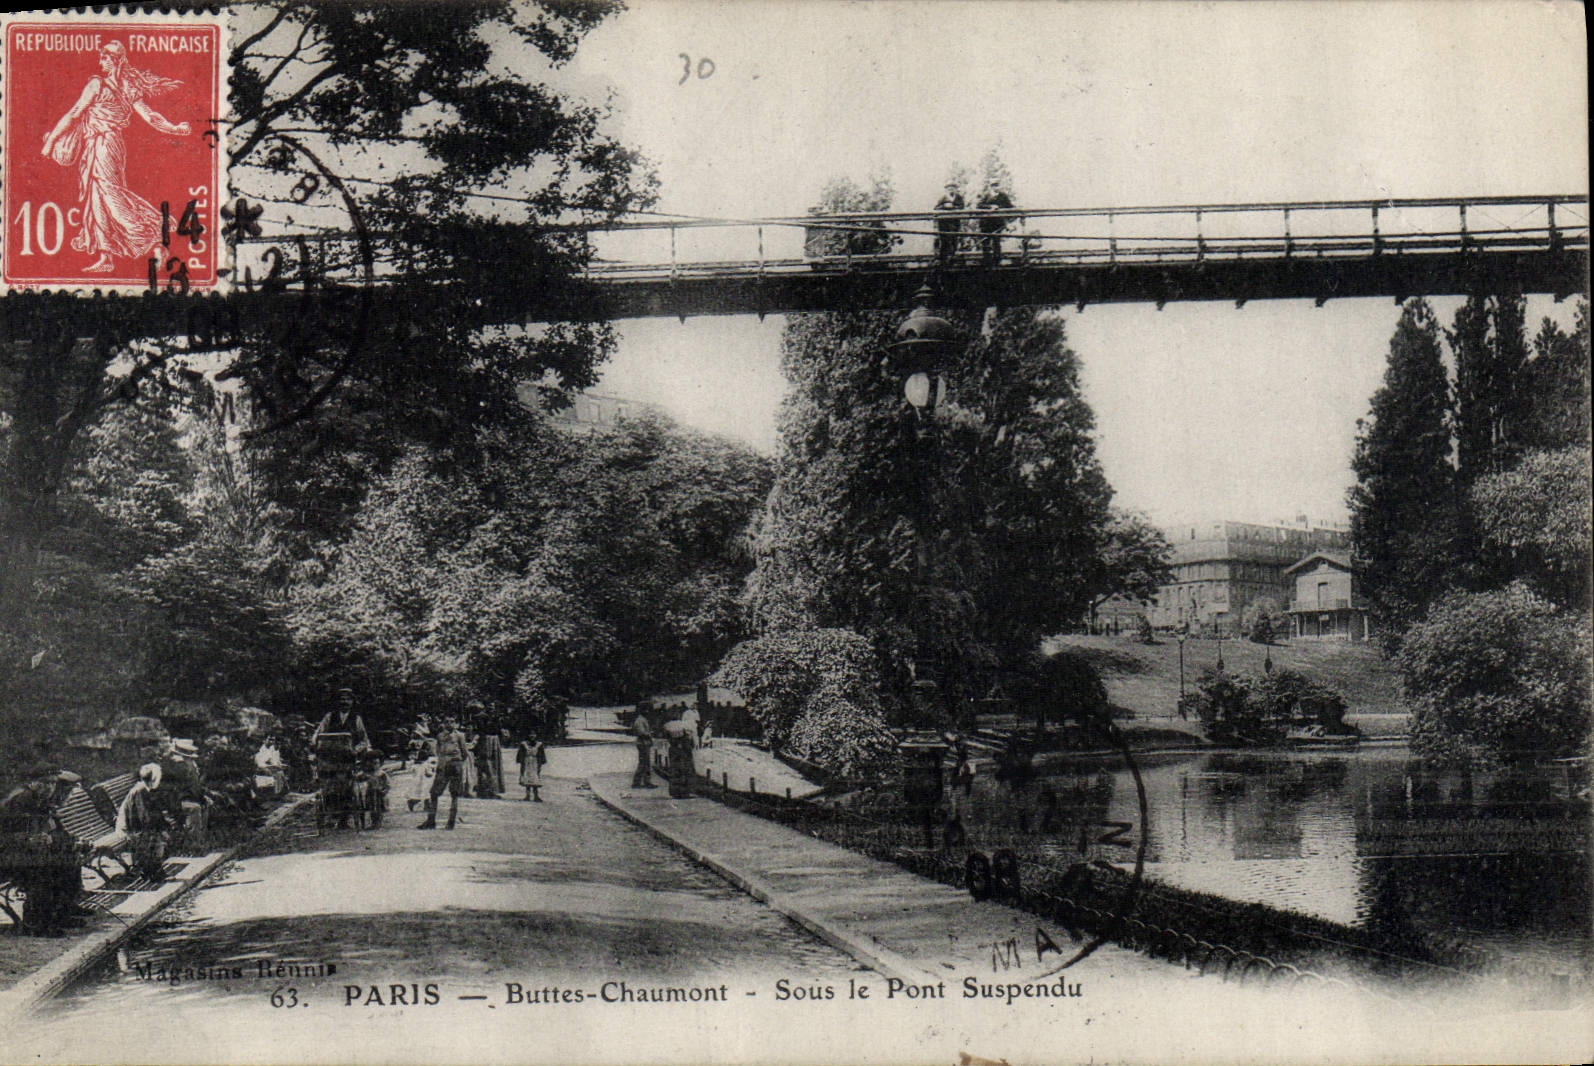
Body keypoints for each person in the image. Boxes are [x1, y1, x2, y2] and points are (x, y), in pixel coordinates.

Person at [39, 40, 192, 273]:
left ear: (114, 61)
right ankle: (106, 257)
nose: (100, 62)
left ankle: (154, 240)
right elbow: (151, 117)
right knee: (98, 197)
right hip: (108, 145)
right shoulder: (129, 87)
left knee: (109, 196)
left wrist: (50, 142)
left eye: (104, 58)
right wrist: (175, 128)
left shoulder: (96, 84)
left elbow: (75, 113)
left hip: (103, 144)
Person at [0, 771, 85, 934]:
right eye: (45, 783)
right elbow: (5, 836)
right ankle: (35, 924)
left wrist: (71, 841)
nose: (50, 788)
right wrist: (27, 839)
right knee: (43, 869)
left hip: (22, 854)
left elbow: (53, 830)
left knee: (66, 859)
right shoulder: (20, 802)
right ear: (32, 782)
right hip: (6, 857)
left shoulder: (39, 801)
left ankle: (62, 913)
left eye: (53, 783)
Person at [116, 764, 169, 882]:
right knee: (153, 837)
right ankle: (151, 871)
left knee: (156, 835)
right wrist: (160, 829)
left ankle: (155, 870)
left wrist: (161, 826)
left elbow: (151, 814)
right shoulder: (140, 791)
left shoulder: (145, 789)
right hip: (130, 828)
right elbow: (144, 817)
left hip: (137, 825)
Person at [419, 717, 468, 830]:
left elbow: (464, 752)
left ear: (456, 723)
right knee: (434, 793)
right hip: (443, 766)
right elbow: (438, 751)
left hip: (455, 765)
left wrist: (457, 762)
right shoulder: (440, 736)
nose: (449, 724)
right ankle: (431, 820)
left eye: (452, 721)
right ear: (443, 723)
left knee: (454, 794)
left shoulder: (460, 736)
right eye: (446, 721)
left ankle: (451, 821)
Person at [976, 179, 1014, 267]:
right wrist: (990, 207)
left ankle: (997, 261)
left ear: (999, 186)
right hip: (986, 222)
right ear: (990, 186)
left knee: (996, 241)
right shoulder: (986, 195)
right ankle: (986, 261)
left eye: (997, 185)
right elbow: (979, 205)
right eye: (993, 185)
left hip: (997, 222)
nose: (995, 187)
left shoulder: (1003, 196)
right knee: (985, 241)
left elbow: (1009, 206)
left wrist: (999, 207)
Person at [934, 181, 964, 265]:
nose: (951, 190)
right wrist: (944, 206)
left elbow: (962, 207)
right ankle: (943, 259)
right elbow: (936, 208)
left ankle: (952, 258)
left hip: (955, 222)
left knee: (954, 239)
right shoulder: (943, 197)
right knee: (944, 240)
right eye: (949, 188)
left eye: (953, 188)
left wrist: (954, 207)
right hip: (944, 222)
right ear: (946, 189)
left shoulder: (958, 197)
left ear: (955, 189)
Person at [473, 718, 504, 798]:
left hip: (489, 754)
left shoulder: (493, 738)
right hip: (484, 755)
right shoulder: (484, 737)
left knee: (490, 772)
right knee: (486, 772)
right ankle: (484, 791)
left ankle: (489, 791)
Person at [631, 714, 656, 789]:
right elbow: (641, 732)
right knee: (644, 763)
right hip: (643, 744)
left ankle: (644, 781)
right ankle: (639, 782)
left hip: (644, 743)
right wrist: (650, 734)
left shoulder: (641, 719)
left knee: (645, 763)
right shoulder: (640, 720)